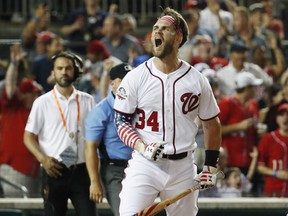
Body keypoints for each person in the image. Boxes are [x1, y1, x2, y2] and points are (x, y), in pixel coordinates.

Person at [113, 7, 222, 216]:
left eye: (165, 28)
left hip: (183, 166)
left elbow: (211, 124)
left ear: (178, 36)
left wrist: (210, 166)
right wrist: (142, 146)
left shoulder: (196, 79)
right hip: (145, 164)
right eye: (155, 28)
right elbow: (121, 122)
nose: (157, 32)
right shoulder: (136, 77)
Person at [23, 51, 96, 216]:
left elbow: (95, 136)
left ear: (75, 71)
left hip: (81, 170)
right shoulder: (42, 102)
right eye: (60, 68)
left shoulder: (88, 100)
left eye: (68, 68)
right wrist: (43, 159)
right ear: (53, 72)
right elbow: (27, 137)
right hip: (53, 169)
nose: (64, 72)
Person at [85, 63, 133, 216]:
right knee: (124, 213)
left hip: (140, 166)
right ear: (113, 83)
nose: (128, 84)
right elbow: (90, 147)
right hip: (115, 170)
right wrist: (94, 181)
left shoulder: (139, 106)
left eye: (130, 80)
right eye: (123, 80)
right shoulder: (101, 110)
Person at [0, 44, 43, 197]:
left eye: (38, 94)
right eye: (33, 94)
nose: (36, 97)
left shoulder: (39, 112)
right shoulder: (12, 107)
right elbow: (10, 87)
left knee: (32, 209)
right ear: (23, 94)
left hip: (34, 169)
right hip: (13, 168)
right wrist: (13, 63)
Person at [257, 103, 288, 197]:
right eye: (282, 115)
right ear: (277, 118)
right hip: (273, 190)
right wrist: (276, 173)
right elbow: (259, 167)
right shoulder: (268, 139)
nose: (285, 118)